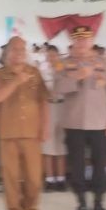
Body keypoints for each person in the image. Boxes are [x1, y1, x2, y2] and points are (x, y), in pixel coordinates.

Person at [55, 26, 106, 210]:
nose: (82, 42)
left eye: (86, 38)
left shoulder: (104, 63)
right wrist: (77, 76)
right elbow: (56, 88)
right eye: (78, 39)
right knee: (76, 166)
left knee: (100, 165)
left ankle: (99, 203)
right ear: (73, 41)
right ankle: (81, 204)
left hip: (100, 123)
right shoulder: (63, 64)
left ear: (92, 41)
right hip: (74, 123)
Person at [0, 36, 49, 210]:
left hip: (32, 132)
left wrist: (44, 127)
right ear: (7, 52)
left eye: (22, 49)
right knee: (11, 176)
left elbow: (43, 101)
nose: (19, 53)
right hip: (8, 132)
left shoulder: (34, 72)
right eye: (15, 49)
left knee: (34, 176)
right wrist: (16, 81)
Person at [40, 44, 67, 192]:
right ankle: (50, 179)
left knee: (61, 145)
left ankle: (61, 178)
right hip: (48, 107)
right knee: (48, 145)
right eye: (49, 55)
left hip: (63, 107)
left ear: (58, 56)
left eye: (54, 55)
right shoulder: (42, 72)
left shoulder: (64, 70)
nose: (51, 58)